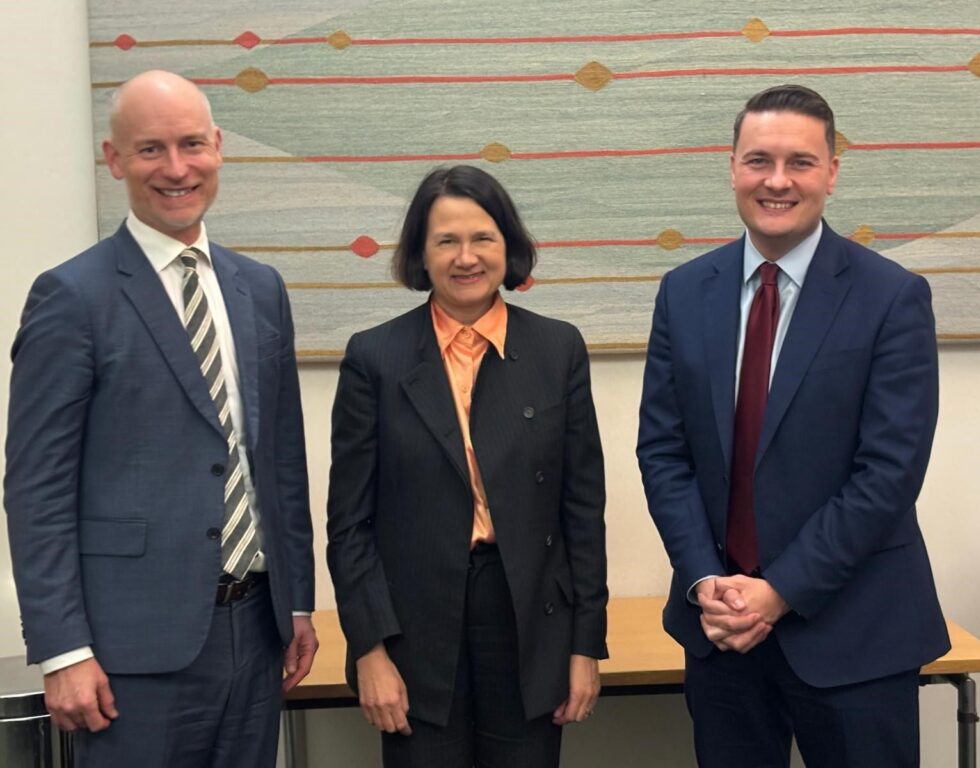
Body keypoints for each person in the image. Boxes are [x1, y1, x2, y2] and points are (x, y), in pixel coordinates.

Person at [4, 70, 317, 767]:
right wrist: (62, 649)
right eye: (150, 150)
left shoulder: (260, 290)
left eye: (191, 145)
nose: (176, 169)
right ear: (114, 159)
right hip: (127, 656)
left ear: (218, 148)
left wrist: (296, 604)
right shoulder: (71, 297)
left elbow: (280, 463)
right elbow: (36, 491)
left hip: (256, 631)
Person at [636, 84, 949, 767]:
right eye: (759, 160)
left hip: (855, 636)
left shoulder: (892, 297)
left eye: (800, 162)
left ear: (832, 172)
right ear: (732, 168)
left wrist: (779, 592)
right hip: (719, 632)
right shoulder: (685, 291)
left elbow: (887, 473)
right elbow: (663, 452)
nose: (777, 181)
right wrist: (702, 583)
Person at [327, 165, 608, 767]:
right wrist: (368, 649)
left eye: (482, 238)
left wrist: (585, 646)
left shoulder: (558, 349)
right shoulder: (374, 358)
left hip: (531, 623)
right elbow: (349, 524)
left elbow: (583, 512)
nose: (466, 257)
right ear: (420, 256)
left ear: (509, 246)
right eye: (445, 241)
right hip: (414, 632)